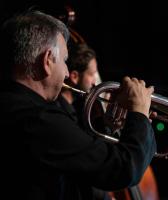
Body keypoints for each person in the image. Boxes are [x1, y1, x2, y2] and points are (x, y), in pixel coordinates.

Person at [0, 10, 156, 200]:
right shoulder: (37, 119)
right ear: (47, 60)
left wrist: (111, 126)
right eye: (65, 61)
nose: (66, 73)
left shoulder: (13, 105)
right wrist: (139, 113)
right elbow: (123, 169)